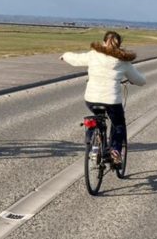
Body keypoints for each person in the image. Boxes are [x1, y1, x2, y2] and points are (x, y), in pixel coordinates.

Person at [61, 31, 146, 164]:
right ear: (119, 45)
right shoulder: (123, 62)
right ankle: (115, 151)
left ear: (103, 42)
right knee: (118, 124)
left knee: (96, 119)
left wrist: (65, 56)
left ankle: (94, 145)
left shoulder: (93, 55)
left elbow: (76, 59)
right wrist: (136, 81)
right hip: (112, 101)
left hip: (91, 99)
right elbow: (140, 80)